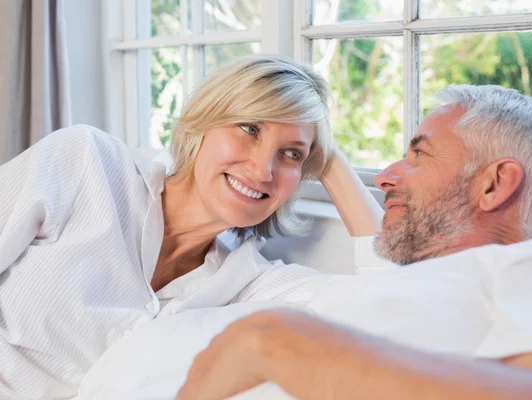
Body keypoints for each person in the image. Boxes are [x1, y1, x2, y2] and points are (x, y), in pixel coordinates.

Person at [176, 85, 532, 399]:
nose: (384, 177)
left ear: (494, 184)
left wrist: (272, 341)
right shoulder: (430, 282)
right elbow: (377, 248)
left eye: (419, 155)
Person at [0, 55, 381, 399]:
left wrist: (331, 162)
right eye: (249, 129)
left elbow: (395, 295)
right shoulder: (85, 162)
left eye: (291, 154)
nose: (263, 170)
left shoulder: (246, 281)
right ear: (204, 122)